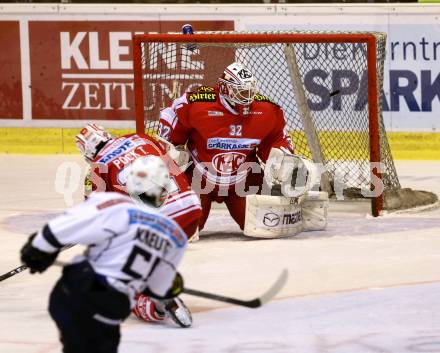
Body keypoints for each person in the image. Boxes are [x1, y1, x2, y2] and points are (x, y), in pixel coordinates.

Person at [20, 156, 188, 353]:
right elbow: (158, 289)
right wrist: (170, 287)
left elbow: (60, 229)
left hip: (71, 291)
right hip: (109, 307)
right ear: (164, 191)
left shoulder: (113, 203)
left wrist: (39, 249)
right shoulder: (175, 235)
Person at [157, 62, 321, 236]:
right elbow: (169, 115)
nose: (247, 96)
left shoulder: (267, 111)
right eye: (242, 91)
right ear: (225, 89)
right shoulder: (198, 104)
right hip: (199, 178)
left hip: (243, 181)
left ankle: (303, 206)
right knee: (185, 230)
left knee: (265, 226)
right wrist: (170, 147)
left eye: (250, 91)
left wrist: (282, 158)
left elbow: (276, 139)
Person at [75, 123, 200, 327]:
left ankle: (157, 302)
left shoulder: (97, 168)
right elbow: (177, 156)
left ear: (87, 151)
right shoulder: (140, 137)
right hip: (191, 210)